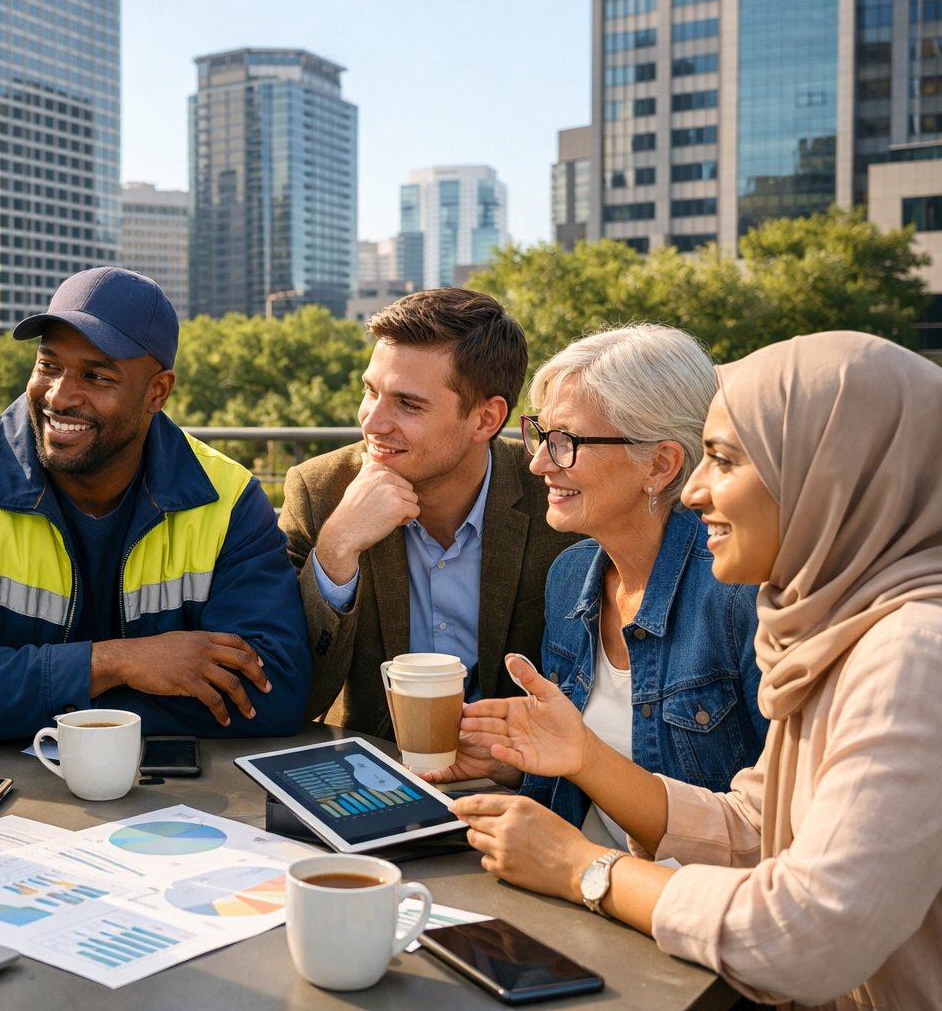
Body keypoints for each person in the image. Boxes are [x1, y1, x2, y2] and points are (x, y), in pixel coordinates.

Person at [446, 332, 942, 1007]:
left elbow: (804, 935)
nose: (697, 491)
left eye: (726, 460)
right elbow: (753, 827)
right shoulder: (835, 628)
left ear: (824, 472)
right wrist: (564, 757)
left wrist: (585, 870)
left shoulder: (913, 652)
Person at [0, 266, 309, 741]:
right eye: (48, 366)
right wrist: (118, 663)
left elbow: (273, 694)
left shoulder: (228, 499)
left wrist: (18, 700)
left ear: (157, 392)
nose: (59, 396)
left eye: (96, 376)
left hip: (167, 801)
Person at [426, 326, 767, 848]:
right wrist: (512, 765)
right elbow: (579, 777)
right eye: (541, 434)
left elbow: (775, 828)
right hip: (578, 889)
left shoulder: (741, 596)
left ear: (660, 463)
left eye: (566, 442)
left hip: (677, 906)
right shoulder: (570, 576)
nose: (539, 462)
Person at [278, 288, 576, 737]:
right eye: (370, 391)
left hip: (519, 779)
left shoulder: (555, 498)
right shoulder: (320, 494)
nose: (373, 423)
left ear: (485, 419)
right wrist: (336, 549)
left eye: (408, 404)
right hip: (376, 773)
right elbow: (290, 698)